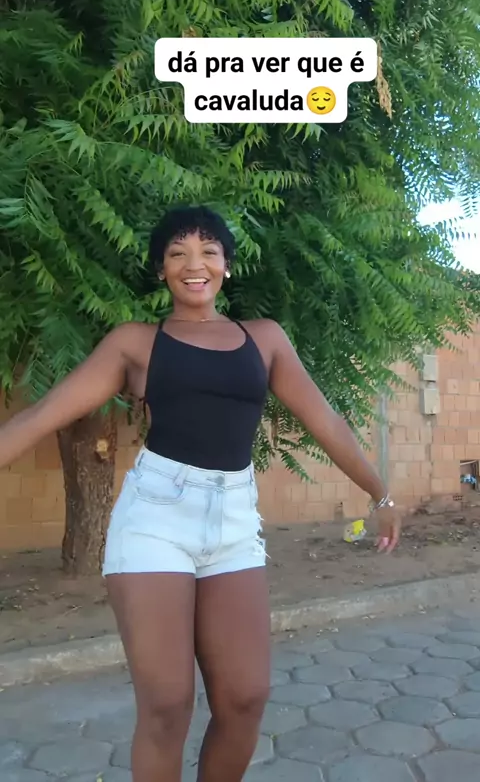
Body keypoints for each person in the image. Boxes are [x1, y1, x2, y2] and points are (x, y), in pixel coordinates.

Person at [0, 205, 401, 782]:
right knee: (167, 705)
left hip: (234, 520)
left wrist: (380, 493)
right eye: (177, 254)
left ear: (227, 266)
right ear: (160, 269)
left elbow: (326, 421)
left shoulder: (264, 339)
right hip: (156, 520)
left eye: (209, 252)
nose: (195, 265)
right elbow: (41, 416)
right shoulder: (135, 344)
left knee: (245, 698)